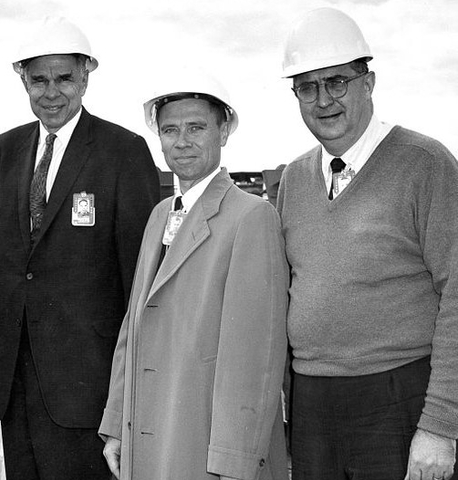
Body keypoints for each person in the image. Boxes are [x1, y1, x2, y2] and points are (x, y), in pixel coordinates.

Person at [277, 7, 458, 480]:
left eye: (337, 81)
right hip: (312, 404)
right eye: (307, 87)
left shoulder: (425, 164)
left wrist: (440, 426)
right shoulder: (293, 179)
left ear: (368, 82)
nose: (323, 100)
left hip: (398, 398)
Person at [0, 16, 160, 480]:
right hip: (15, 380)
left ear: (86, 77)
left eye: (64, 78)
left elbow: (140, 278)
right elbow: (16, 260)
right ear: (22, 78)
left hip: (87, 385)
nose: (51, 92)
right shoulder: (5, 149)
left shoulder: (123, 151)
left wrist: (130, 388)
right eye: (38, 79)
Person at [99, 71, 290, 480]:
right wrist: (115, 426)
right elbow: (132, 330)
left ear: (223, 132)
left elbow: (255, 357)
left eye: (196, 128)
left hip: (205, 445)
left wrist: (234, 462)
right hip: (150, 435)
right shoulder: (158, 215)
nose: (181, 141)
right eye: (170, 129)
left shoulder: (252, 217)